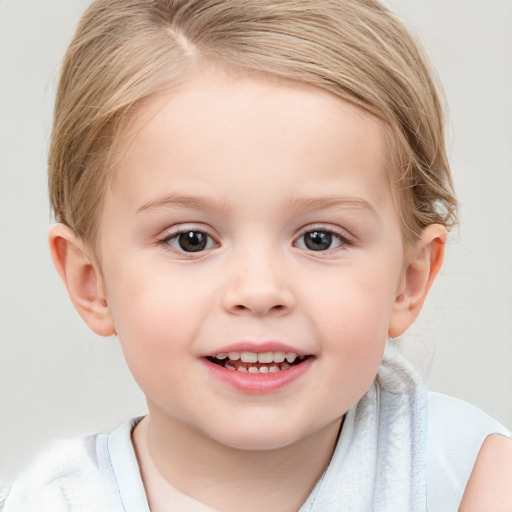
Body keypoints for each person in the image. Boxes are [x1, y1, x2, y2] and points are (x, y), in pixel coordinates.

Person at [2, 0, 511, 510]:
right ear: (92, 281)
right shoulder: (55, 502)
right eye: (191, 240)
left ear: (409, 279)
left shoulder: (471, 481)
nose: (259, 291)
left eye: (319, 238)